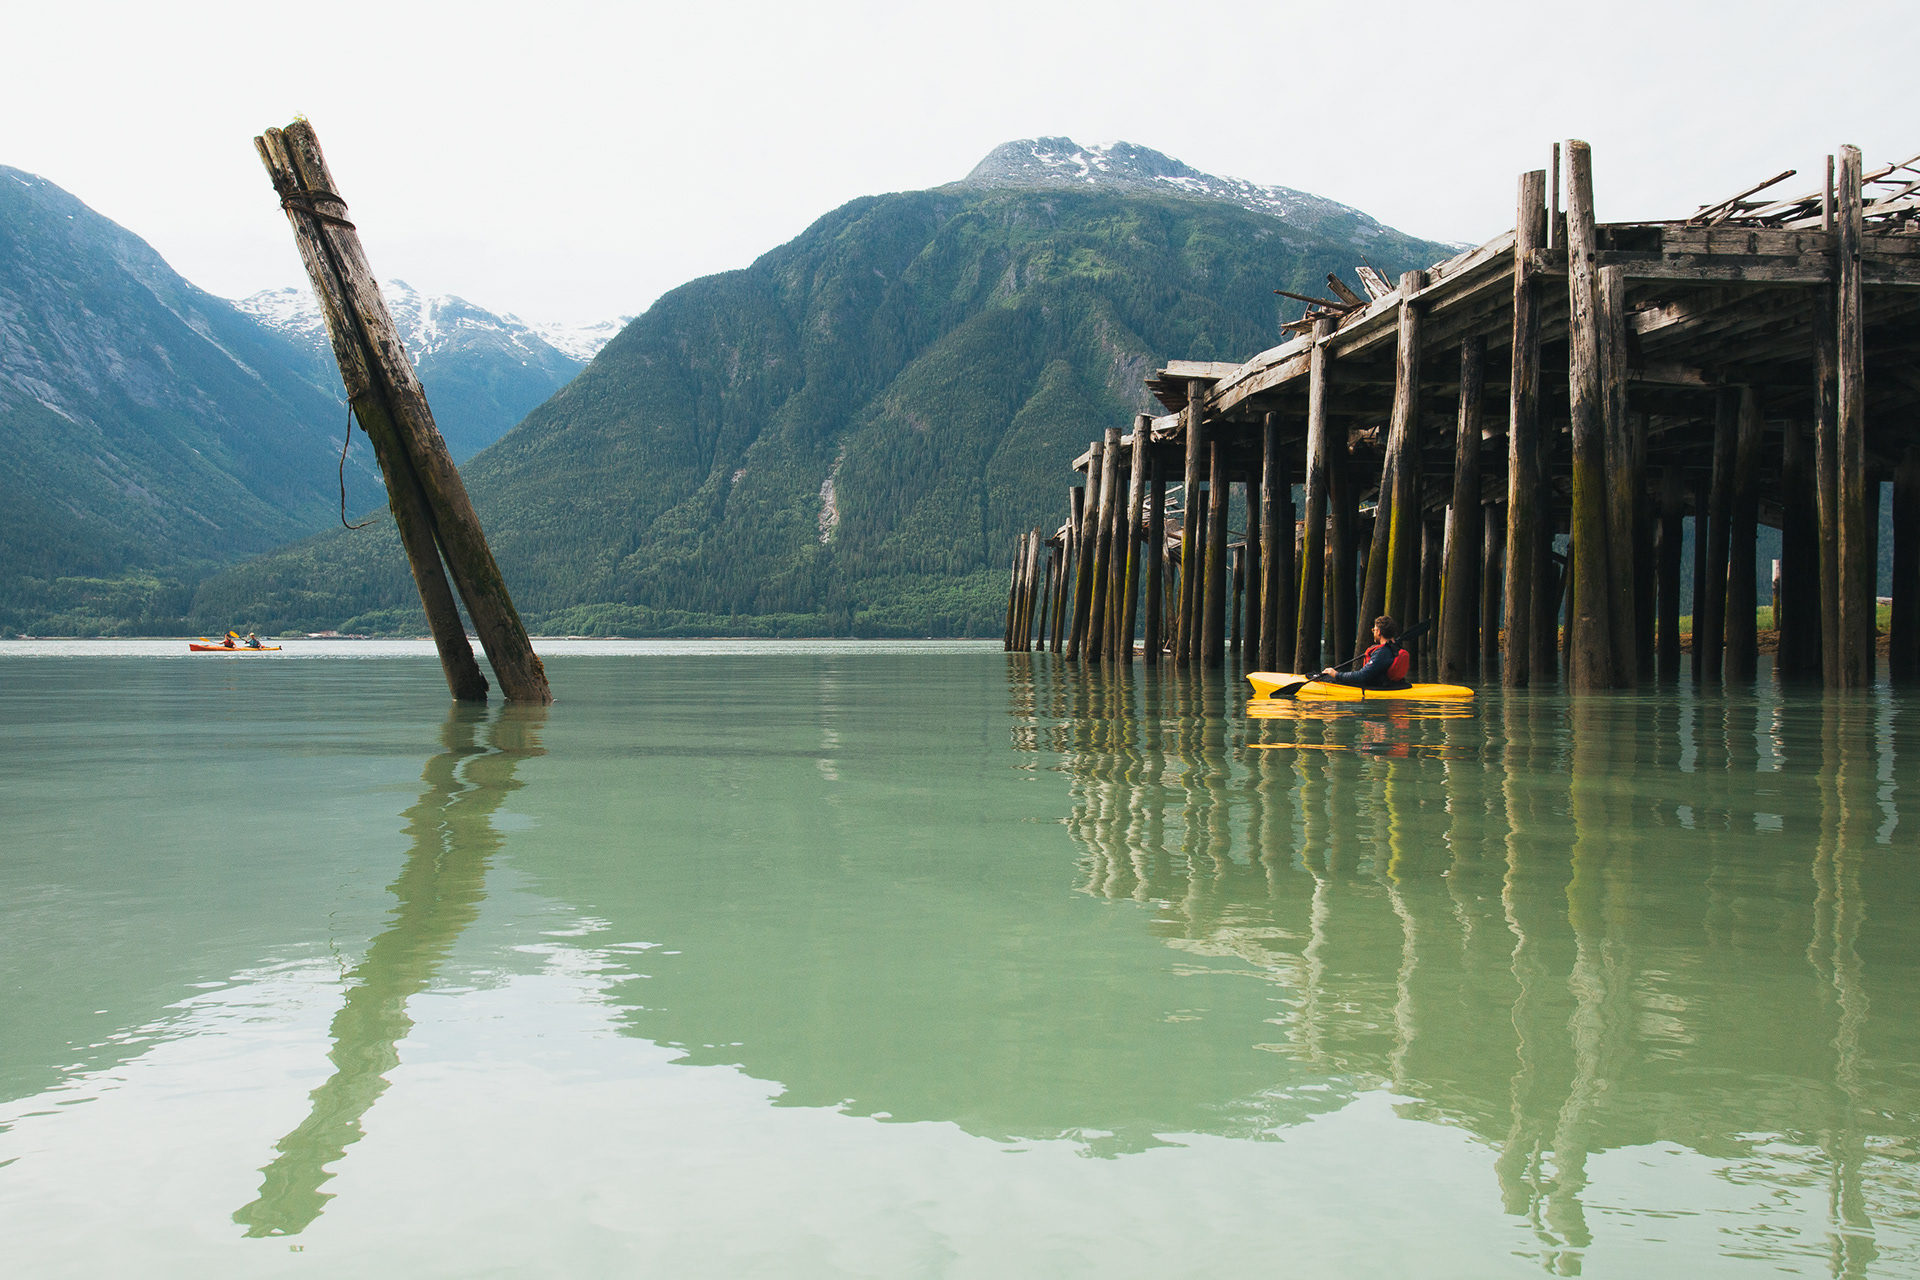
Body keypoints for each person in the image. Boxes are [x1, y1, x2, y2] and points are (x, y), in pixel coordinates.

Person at [1320, 615, 1412, 689]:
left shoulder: (1382, 652)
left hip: (1379, 687)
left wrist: (1336, 674)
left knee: (1328, 678)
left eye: (1374, 630)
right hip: (1393, 685)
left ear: (1379, 632)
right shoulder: (1396, 647)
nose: (1373, 632)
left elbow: (1362, 676)